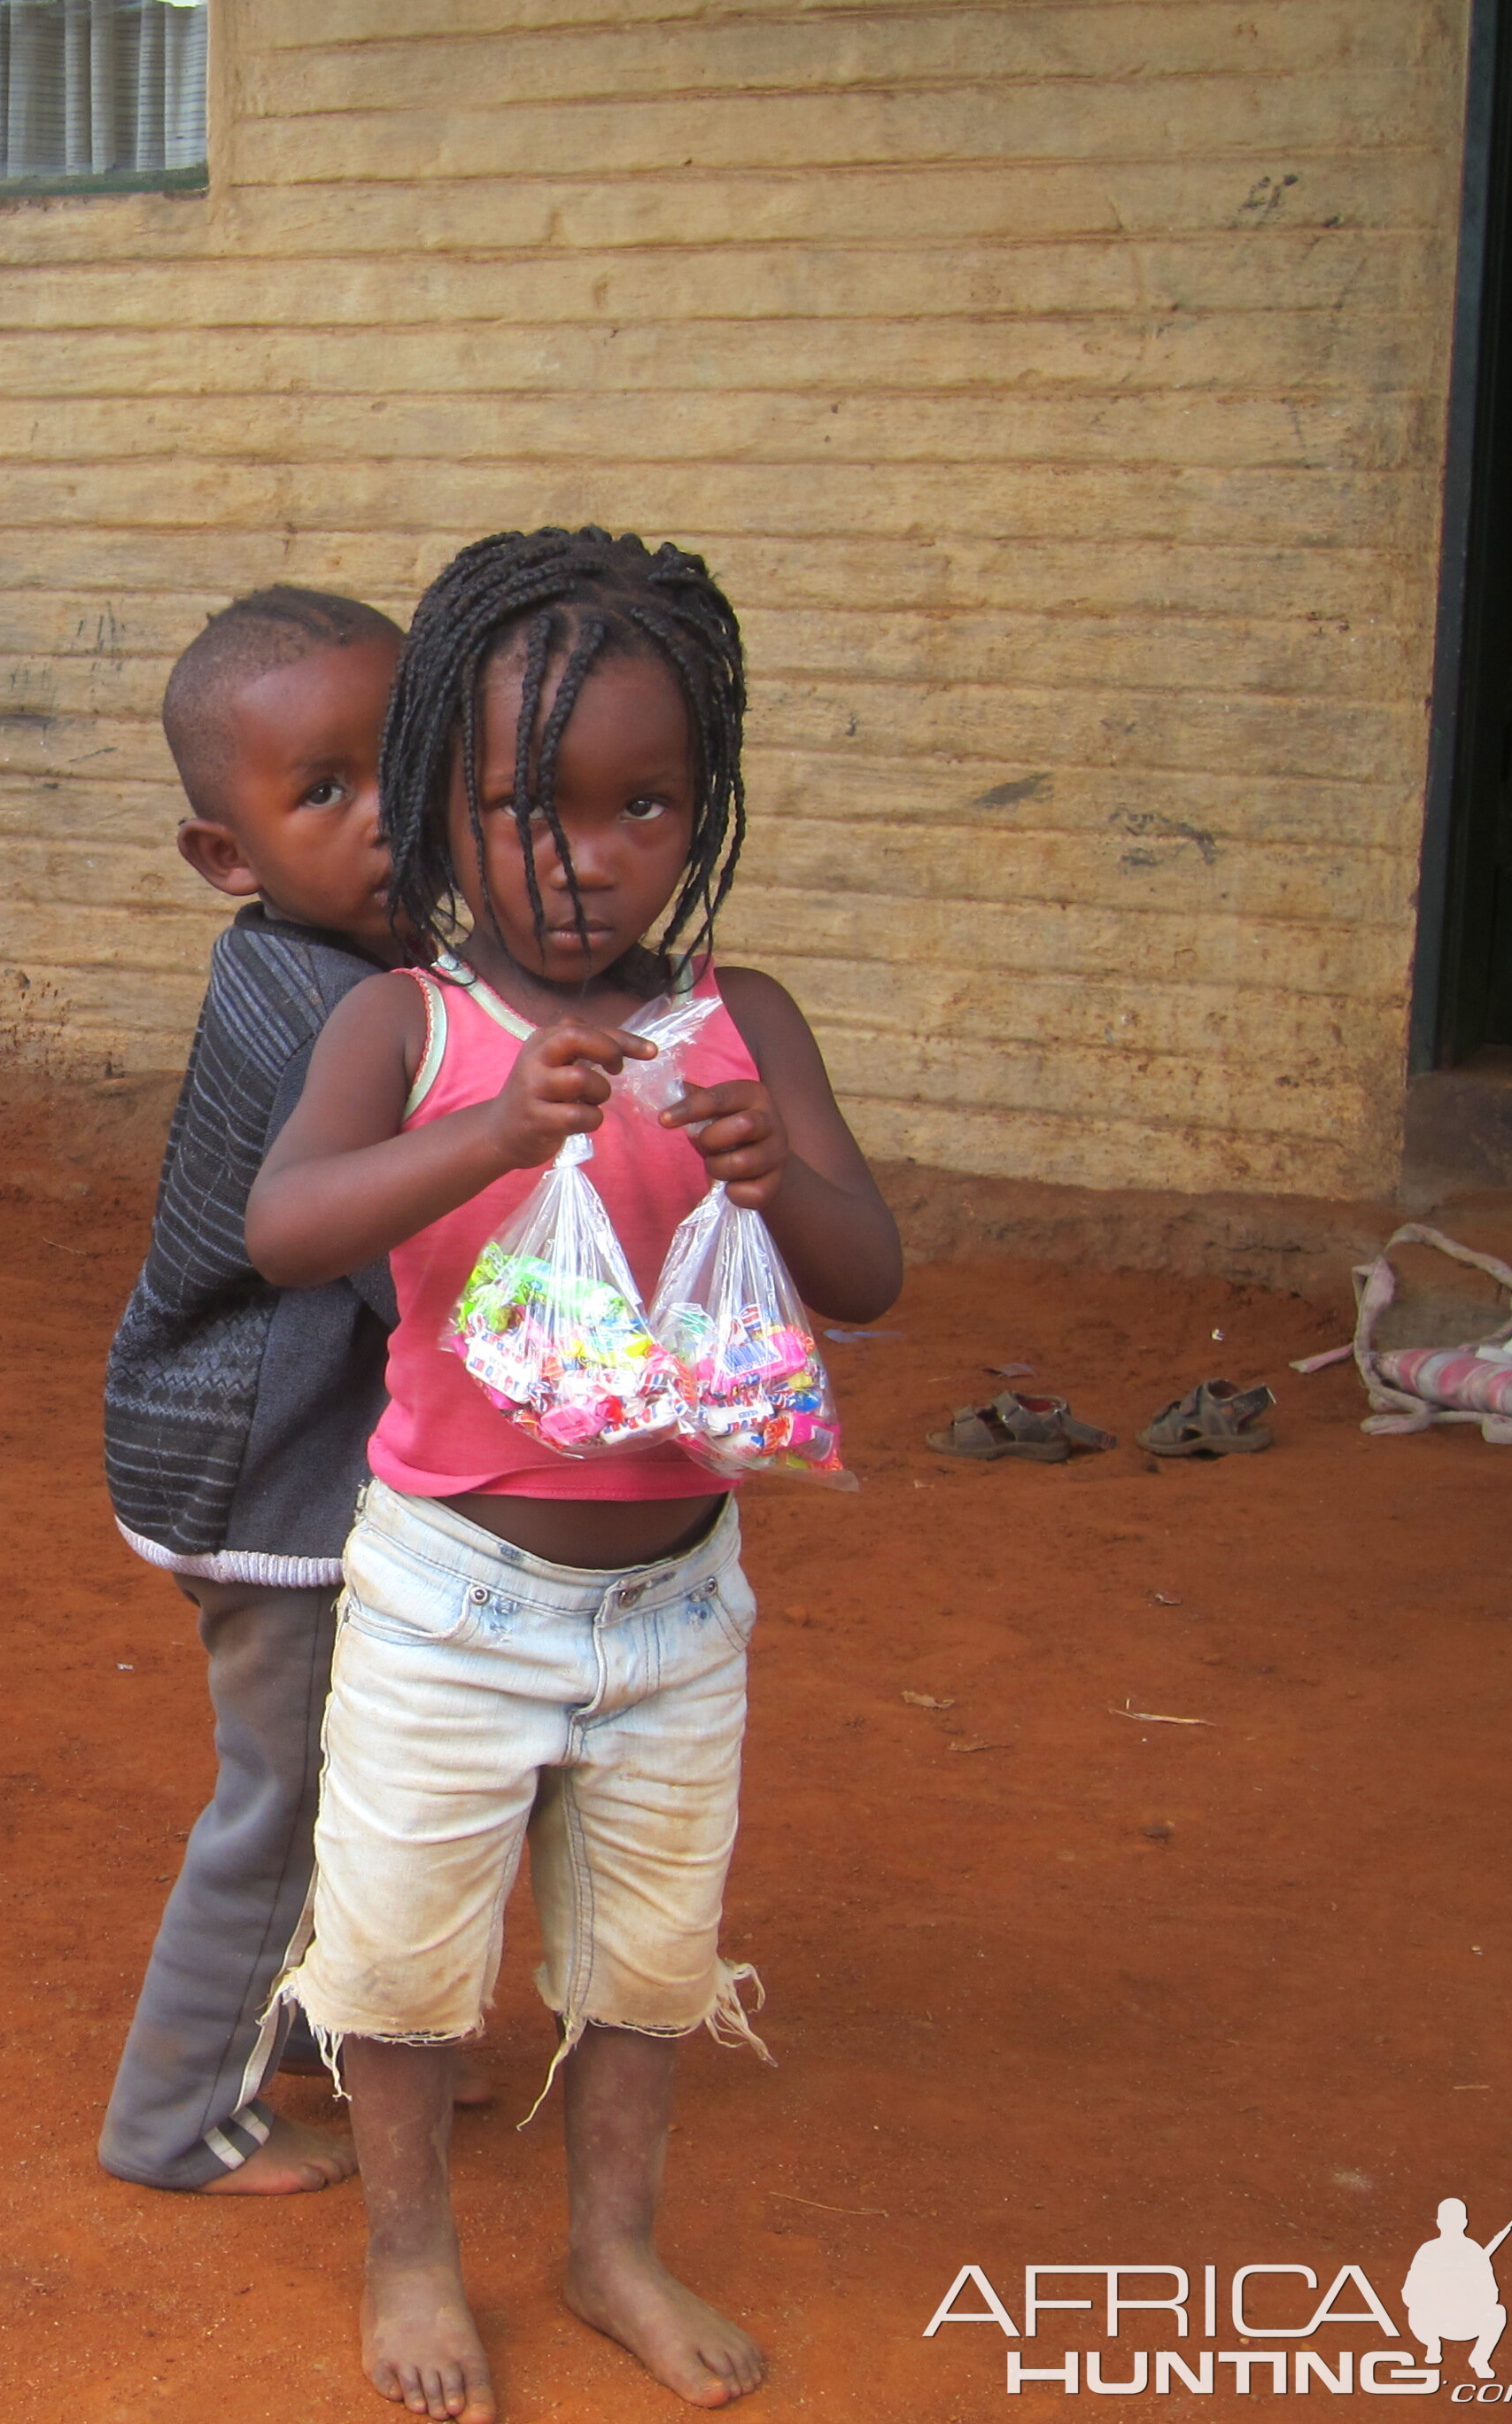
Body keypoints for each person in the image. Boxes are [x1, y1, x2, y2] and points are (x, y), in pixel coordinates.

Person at [244, 528, 903, 2416]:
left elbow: (871, 1277)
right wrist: (477, 1137)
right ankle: (411, 2253)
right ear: (446, 808)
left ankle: (613, 2243)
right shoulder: (409, 1024)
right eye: (528, 804)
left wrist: (782, 1174)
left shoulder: (739, 1024)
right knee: (397, 1960)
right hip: (454, 1597)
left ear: (701, 817)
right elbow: (286, 1228)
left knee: (648, 1960)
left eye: (642, 805)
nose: (584, 852)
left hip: (681, 1607)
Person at [97, 585, 414, 2197]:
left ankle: (317, 2027)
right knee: (283, 1788)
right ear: (226, 857)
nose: (385, 821)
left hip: (282, 1440)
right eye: (322, 793)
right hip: (255, 1463)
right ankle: (169, 2120)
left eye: (406, 765)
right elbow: (400, 1272)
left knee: (359, 1762)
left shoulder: (366, 968)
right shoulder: (331, 1010)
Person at [1403, 2196, 1512, 2379]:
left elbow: (1491, 2295)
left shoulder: (1475, 2252)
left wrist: (1467, 2292)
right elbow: (1409, 2293)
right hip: (1434, 2321)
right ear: (1439, 2222)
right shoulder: (1427, 2251)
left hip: (1466, 2321)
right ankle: (1432, 2345)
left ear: (1464, 2223)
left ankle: (1479, 2359)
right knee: (1415, 2311)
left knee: (1497, 2312)